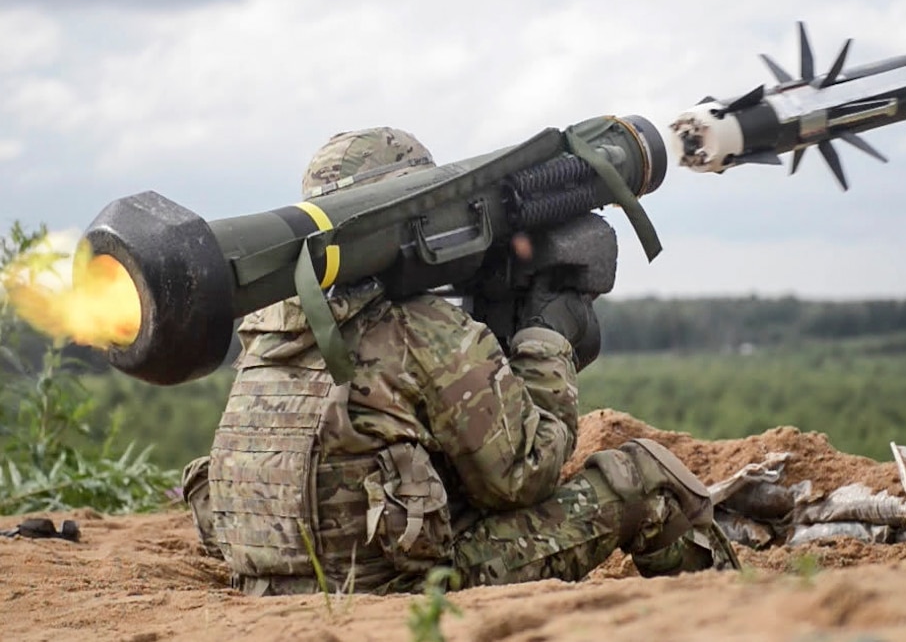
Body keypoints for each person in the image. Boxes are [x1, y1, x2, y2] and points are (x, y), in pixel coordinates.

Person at [182, 127, 737, 596]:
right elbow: (524, 475)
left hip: (270, 588)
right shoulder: (418, 327)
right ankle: (739, 617)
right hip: (395, 595)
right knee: (646, 479)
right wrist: (546, 338)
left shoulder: (267, 324)